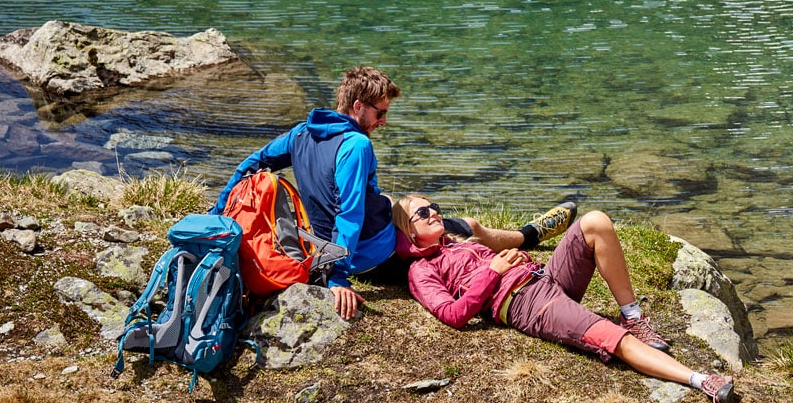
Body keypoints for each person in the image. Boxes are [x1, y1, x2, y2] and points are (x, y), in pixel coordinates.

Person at [212, 66, 577, 320]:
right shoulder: (356, 145)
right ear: (357, 107)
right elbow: (350, 215)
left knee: (409, 208)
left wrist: (218, 210)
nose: (384, 121)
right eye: (380, 113)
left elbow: (252, 163)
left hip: (325, 244)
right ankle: (530, 235)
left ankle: (526, 234)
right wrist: (336, 276)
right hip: (374, 252)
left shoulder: (301, 133)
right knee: (464, 227)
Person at [391, 193, 737, 403]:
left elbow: (480, 232)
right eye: (423, 213)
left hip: (545, 277)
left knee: (595, 221)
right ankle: (700, 379)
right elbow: (453, 314)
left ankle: (632, 314)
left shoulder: (457, 241)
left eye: (433, 206)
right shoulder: (420, 271)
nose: (434, 212)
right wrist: (492, 272)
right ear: (408, 230)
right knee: (608, 335)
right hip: (525, 303)